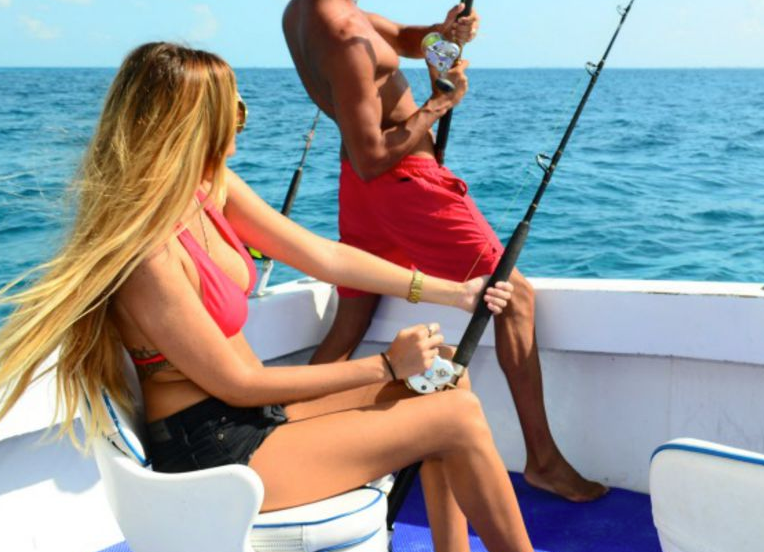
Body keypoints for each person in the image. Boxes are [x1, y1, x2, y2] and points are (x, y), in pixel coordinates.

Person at [0, 42, 534, 552]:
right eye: (231, 110)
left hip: (256, 420)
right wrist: (386, 367)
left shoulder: (208, 188)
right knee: (454, 416)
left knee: (446, 378)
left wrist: (454, 291)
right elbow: (241, 383)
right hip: (214, 454)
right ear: (192, 127)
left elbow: (326, 257)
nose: (241, 120)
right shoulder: (147, 254)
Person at [282, 0, 606, 502]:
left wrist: (444, 33)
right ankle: (542, 459)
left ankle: (286, 434)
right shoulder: (342, 32)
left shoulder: (307, 9)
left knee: (353, 315)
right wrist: (438, 102)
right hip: (400, 184)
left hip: (359, 191)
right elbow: (376, 153)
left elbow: (402, 39)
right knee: (513, 297)